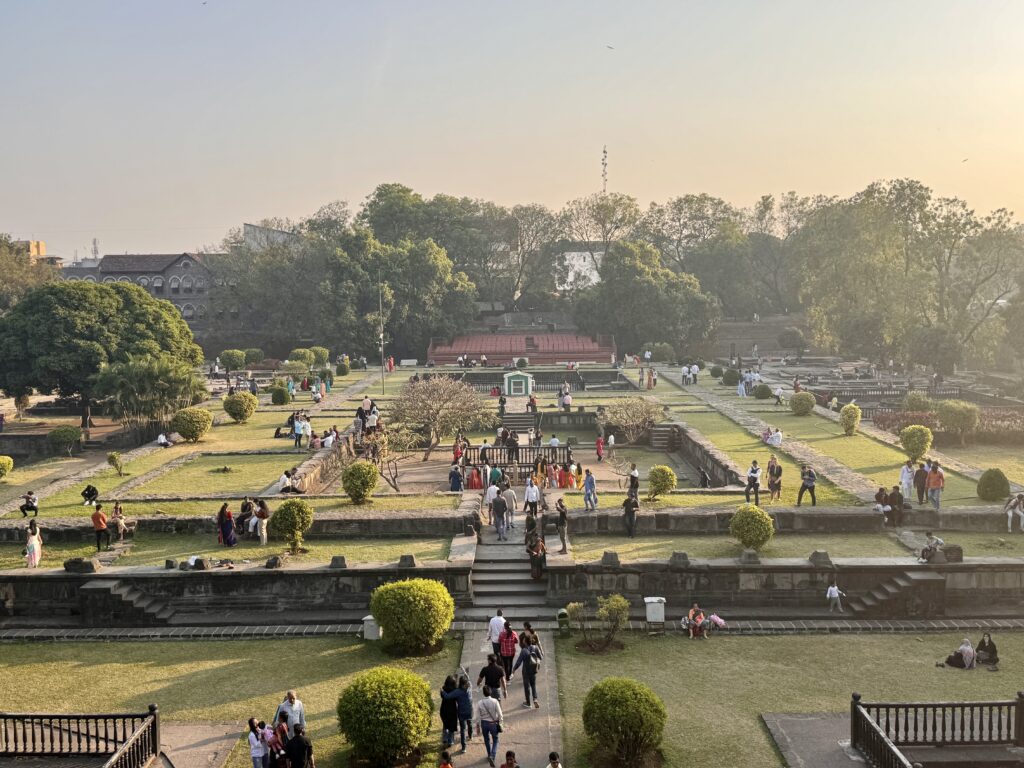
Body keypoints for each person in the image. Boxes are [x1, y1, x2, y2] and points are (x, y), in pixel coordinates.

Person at [440, 676, 474, 753]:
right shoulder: (469, 688)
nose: (467, 685)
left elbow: (447, 696)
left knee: (464, 728)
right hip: (468, 711)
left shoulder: (458, 691)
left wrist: (442, 691)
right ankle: (465, 744)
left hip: (462, 712)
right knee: (465, 728)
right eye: (466, 684)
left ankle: (465, 743)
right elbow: (469, 680)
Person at [511, 636, 543, 708]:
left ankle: (528, 703)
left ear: (525, 642)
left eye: (524, 640)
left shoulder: (524, 650)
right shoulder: (535, 648)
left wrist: (514, 669)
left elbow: (519, 662)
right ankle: (535, 699)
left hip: (526, 671)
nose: (523, 641)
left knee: (527, 687)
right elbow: (541, 657)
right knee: (533, 685)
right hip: (534, 670)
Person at [476, 688, 503, 766]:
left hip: (484, 724)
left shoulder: (480, 703)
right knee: (495, 740)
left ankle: (489, 754)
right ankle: (492, 755)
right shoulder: (495, 701)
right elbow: (500, 714)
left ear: (483, 693)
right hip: (493, 723)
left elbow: (477, 716)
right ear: (490, 692)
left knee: (486, 739)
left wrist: (477, 726)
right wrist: (500, 722)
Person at [440, 676, 460, 750]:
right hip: (452, 709)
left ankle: (445, 739)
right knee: (451, 726)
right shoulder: (455, 689)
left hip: (444, 709)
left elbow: (442, 696)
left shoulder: (443, 688)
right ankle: (450, 741)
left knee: (445, 725)